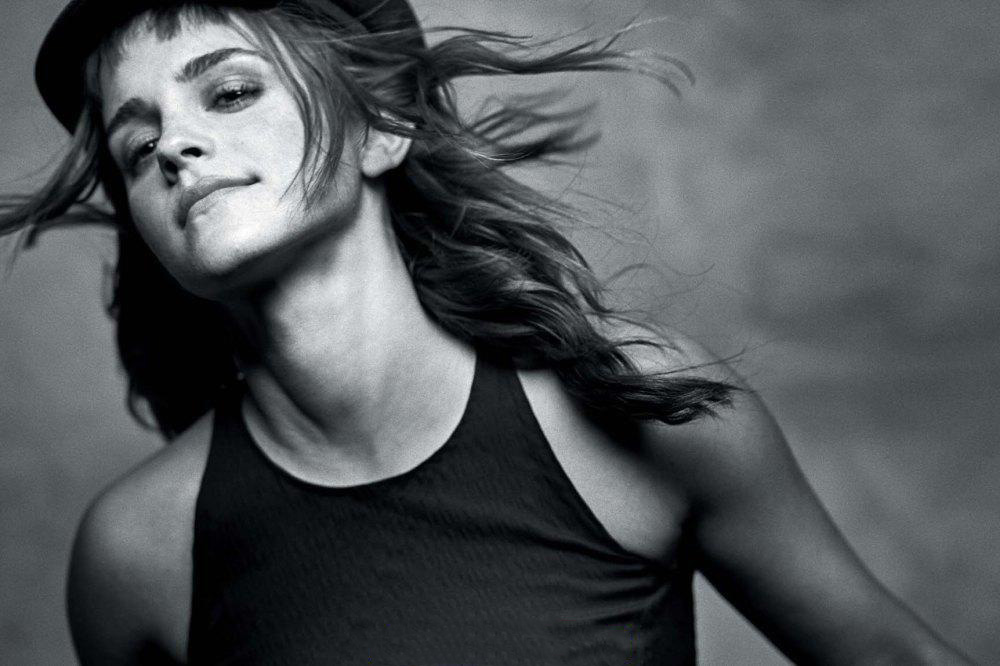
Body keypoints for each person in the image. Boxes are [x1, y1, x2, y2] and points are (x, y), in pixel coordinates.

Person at [0, 0, 975, 664]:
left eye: (230, 92)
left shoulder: (631, 409)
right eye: (137, 146)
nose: (174, 146)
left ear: (382, 126)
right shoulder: (140, 552)